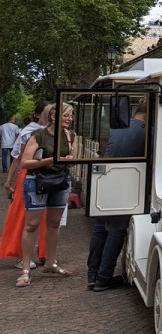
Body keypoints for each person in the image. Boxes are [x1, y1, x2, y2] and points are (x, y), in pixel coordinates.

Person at [15, 102, 76, 287]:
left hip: (60, 181)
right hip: (37, 181)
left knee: (54, 223)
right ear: (53, 117)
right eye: (66, 115)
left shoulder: (70, 135)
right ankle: (25, 269)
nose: (69, 119)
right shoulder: (39, 135)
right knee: (32, 224)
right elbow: (25, 162)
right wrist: (49, 160)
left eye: (71, 116)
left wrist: (70, 159)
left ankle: (50, 263)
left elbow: (73, 160)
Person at [87, 104, 146, 291]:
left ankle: (92, 275)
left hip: (105, 180)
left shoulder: (118, 126)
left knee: (100, 227)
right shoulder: (147, 130)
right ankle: (104, 277)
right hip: (125, 181)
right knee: (117, 229)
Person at [1, 101, 52, 269]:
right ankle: (21, 255)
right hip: (30, 175)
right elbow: (18, 157)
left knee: (49, 216)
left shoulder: (55, 131)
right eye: (47, 112)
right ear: (38, 115)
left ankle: (46, 254)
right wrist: (9, 181)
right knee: (25, 216)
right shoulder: (29, 131)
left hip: (50, 176)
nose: (51, 115)